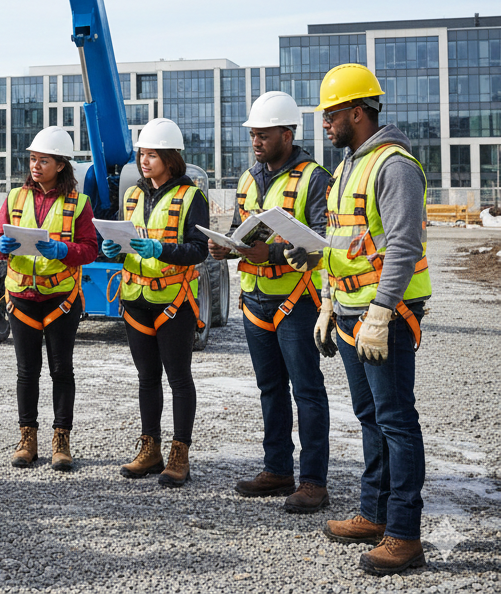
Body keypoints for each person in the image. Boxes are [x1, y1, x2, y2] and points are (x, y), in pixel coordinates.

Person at [314, 64, 432, 576]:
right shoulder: (346, 168)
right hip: (348, 310)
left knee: (397, 421)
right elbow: (340, 243)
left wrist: (382, 310)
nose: (326, 124)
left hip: (384, 313)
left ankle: (404, 533)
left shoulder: (393, 165)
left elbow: (404, 245)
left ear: (357, 113)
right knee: (369, 418)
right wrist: (326, 299)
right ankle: (374, 511)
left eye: (332, 114)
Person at [208, 91, 333, 512]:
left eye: (263, 135)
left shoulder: (314, 177)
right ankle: (278, 468)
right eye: (253, 135)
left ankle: (314, 481)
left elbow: (322, 241)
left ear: (287, 133)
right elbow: (240, 228)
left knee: (308, 391)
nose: (256, 142)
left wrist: (274, 254)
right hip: (255, 299)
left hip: (296, 301)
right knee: (269, 388)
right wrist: (227, 247)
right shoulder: (248, 176)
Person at [99, 117, 209, 487]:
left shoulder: (192, 197)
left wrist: (162, 249)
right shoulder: (132, 195)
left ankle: (180, 453)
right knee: (147, 378)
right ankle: (150, 448)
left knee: (178, 378)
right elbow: (122, 238)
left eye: (152, 155)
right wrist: (112, 249)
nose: (144, 162)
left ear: (170, 157)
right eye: (142, 154)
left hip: (172, 300)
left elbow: (199, 251)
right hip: (134, 298)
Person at [0, 126, 97, 471]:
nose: (35, 165)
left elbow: (90, 250)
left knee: (61, 369)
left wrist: (64, 249)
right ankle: (28, 439)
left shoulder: (79, 204)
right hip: (21, 296)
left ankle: (61, 439)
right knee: (26, 371)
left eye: (44, 160)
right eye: (33, 159)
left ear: (61, 165)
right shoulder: (15, 197)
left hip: (60, 299)